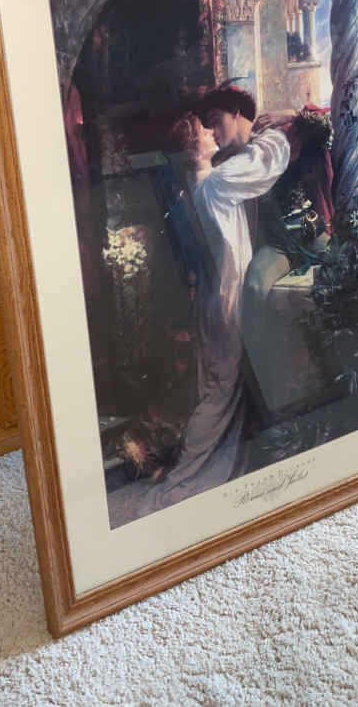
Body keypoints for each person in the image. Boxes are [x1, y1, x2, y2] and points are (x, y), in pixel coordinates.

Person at [106, 107, 289, 527]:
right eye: (203, 131)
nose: (211, 132)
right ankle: (189, 472)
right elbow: (269, 160)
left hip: (211, 299)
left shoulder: (197, 185)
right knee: (220, 392)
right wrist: (272, 128)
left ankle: (200, 465)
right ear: (194, 149)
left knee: (217, 388)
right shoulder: (218, 183)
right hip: (225, 300)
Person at [198, 87, 334, 423]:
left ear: (236, 112)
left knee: (341, 274)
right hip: (278, 248)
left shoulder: (279, 135)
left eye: (216, 121)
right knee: (255, 286)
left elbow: (326, 125)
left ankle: (330, 386)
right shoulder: (229, 166)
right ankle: (268, 394)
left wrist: (291, 114)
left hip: (313, 233)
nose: (213, 132)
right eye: (207, 127)